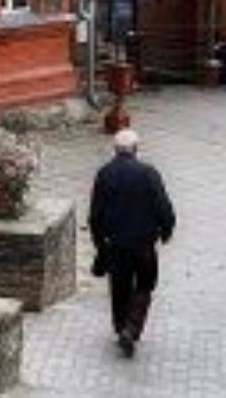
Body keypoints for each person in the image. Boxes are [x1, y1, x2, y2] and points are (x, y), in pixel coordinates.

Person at [88, 128, 175, 358]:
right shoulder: (148, 173)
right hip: (143, 244)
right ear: (136, 149)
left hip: (115, 244)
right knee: (145, 285)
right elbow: (163, 207)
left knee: (119, 287)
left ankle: (121, 328)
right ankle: (132, 327)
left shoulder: (104, 174)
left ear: (115, 149)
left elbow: (95, 215)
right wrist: (166, 231)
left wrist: (99, 243)